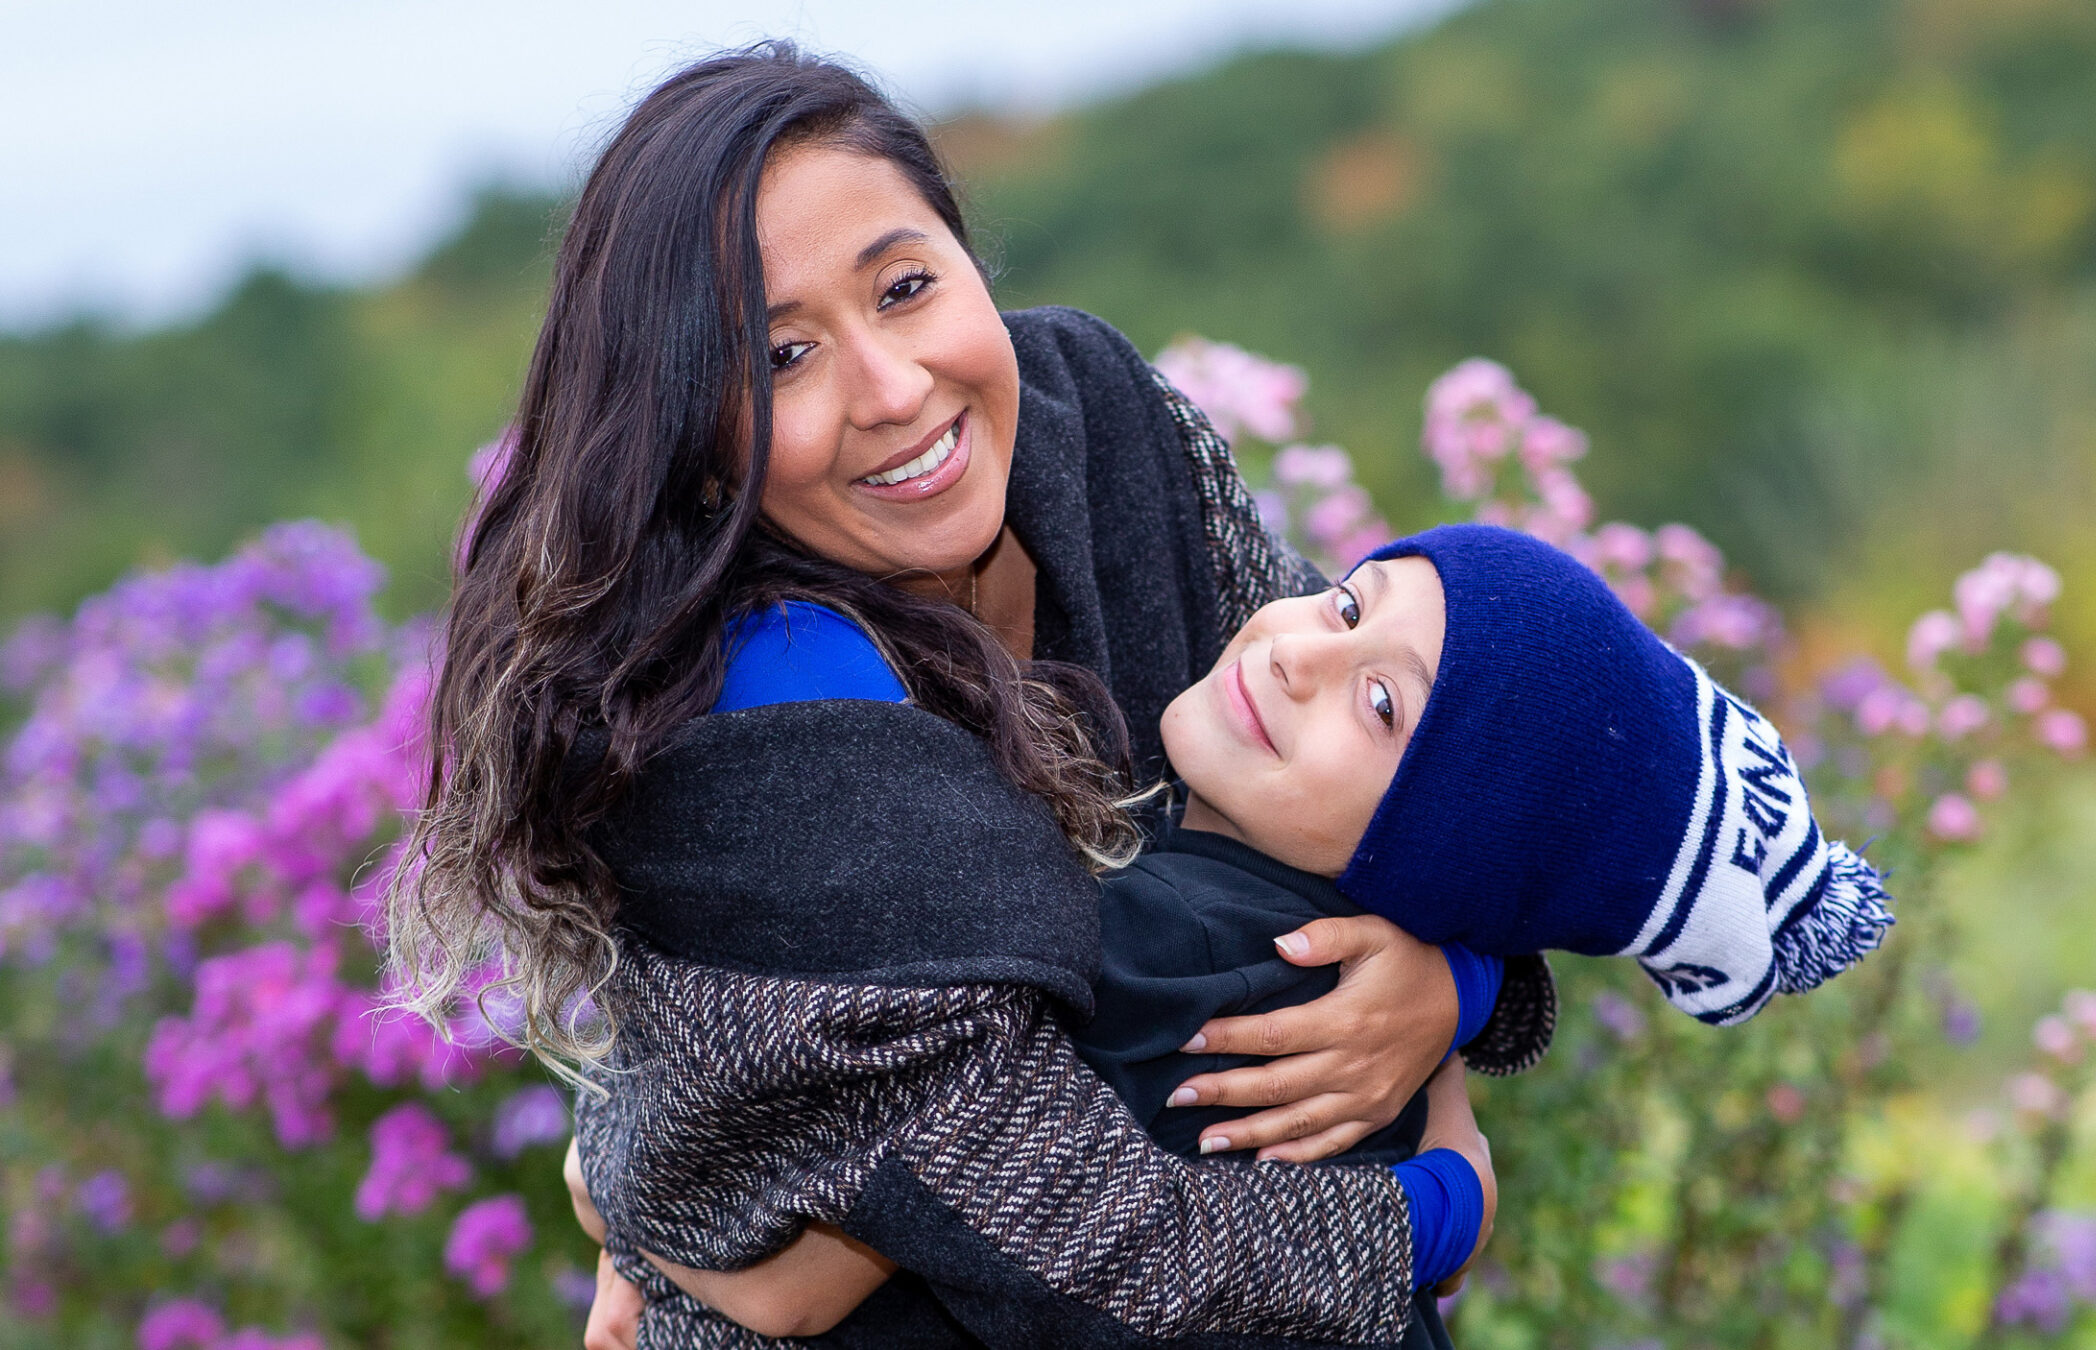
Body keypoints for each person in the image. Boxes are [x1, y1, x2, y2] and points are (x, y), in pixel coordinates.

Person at [385, 42, 1556, 1350]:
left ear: (967, 255)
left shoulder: (1105, 437)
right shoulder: (769, 712)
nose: (892, 390)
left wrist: (1455, 984)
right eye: (780, 356)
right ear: (693, 430)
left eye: (903, 285)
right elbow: (1088, 1245)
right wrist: (1446, 1202)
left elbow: (1419, 773)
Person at [633, 523, 1895, 1339]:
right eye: (1349, 607)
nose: (1300, 654)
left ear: (1441, 852)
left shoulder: (1166, 954)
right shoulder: (1278, 921)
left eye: (1384, 702)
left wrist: (617, 1161)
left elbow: (798, 1239)